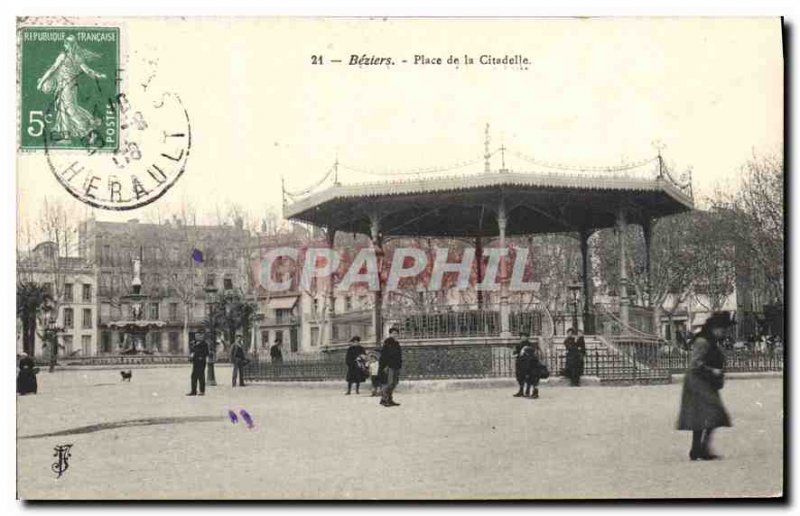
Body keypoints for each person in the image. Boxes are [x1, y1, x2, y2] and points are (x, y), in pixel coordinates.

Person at [677, 311, 734, 460]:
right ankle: (700, 449)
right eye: (722, 329)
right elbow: (696, 364)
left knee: (704, 416)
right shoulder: (703, 341)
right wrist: (713, 370)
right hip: (698, 382)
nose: (723, 332)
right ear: (715, 328)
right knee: (711, 413)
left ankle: (698, 449)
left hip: (704, 381)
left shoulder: (710, 340)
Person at [379, 327, 402, 407]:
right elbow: (385, 356)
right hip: (389, 366)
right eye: (393, 333)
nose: (395, 335)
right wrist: (385, 366)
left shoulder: (397, 343)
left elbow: (398, 356)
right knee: (389, 383)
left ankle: (389, 399)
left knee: (394, 383)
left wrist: (399, 365)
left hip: (396, 366)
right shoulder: (387, 343)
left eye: (396, 333)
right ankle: (384, 399)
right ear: (390, 334)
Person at [512, 332, 531, 397]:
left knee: (528, 377)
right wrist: (516, 354)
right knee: (520, 377)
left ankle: (527, 391)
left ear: (527, 337)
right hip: (520, 363)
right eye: (522, 336)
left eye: (524, 336)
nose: (523, 337)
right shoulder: (518, 345)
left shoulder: (529, 345)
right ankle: (521, 391)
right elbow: (514, 353)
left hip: (527, 363)